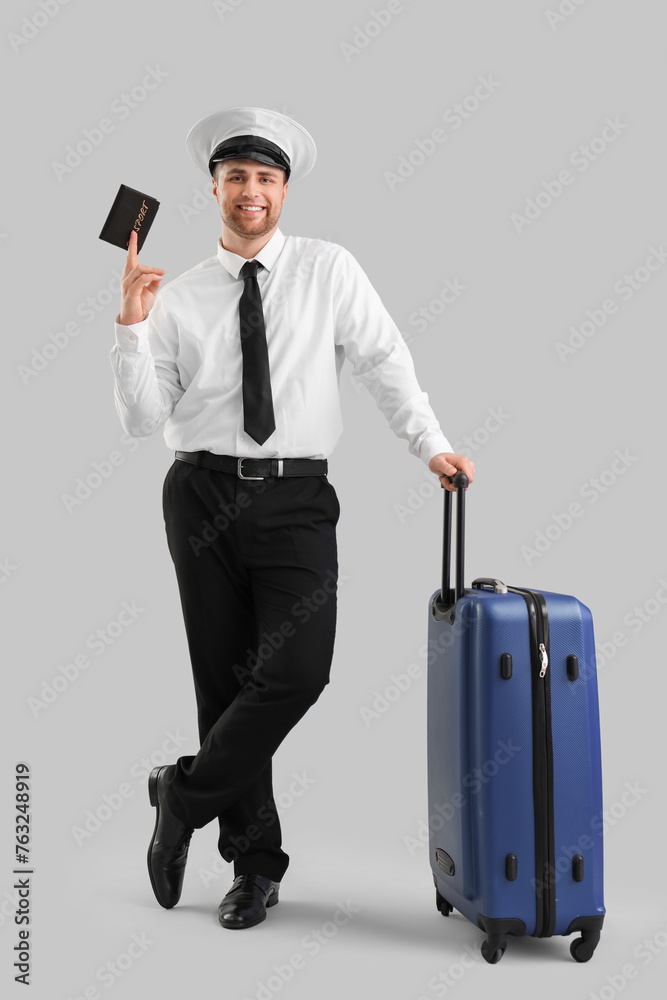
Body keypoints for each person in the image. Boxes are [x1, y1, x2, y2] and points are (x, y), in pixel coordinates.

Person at [109, 106, 475, 930]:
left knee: (297, 673)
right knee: (225, 682)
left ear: (284, 191)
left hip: (295, 499)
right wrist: (130, 326)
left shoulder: (327, 269)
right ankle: (255, 867)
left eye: (265, 179)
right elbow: (141, 421)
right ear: (213, 188)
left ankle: (182, 796)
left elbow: (383, 359)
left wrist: (431, 445)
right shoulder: (176, 293)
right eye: (235, 177)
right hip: (198, 491)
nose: (250, 192)